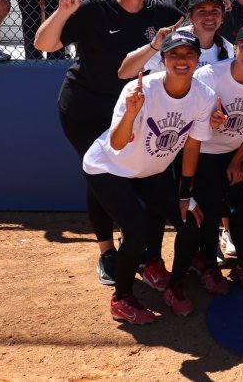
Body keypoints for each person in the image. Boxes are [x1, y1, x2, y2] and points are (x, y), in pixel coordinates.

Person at [34, 0, 184, 285]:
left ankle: (141, 249)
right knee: (101, 174)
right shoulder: (94, 8)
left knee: (140, 177)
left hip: (134, 113)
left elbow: (194, 37)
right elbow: (44, 42)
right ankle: (107, 253)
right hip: (85, 109)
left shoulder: (163, 14)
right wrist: (63, 11)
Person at [82, 31, 219, 323]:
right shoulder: (140, 90)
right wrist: (131, 113)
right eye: (174, 55)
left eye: (188, 55)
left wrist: (185, 193)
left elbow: (193, 145)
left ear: (197, 59)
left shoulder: (203, 96)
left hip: (151, 170)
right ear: (163, 59)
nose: (182, 61)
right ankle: (121, 298)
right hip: (109, 167)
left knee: (191, 220)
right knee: (136, 233)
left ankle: (175, 286)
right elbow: (117, 144)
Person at [191, 24, 243, 292]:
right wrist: (208, 123)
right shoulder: (210, 75)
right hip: (204, 152)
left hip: (235, 151)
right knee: (211, 208)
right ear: (235, 48)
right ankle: (209, 266)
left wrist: (238, 160)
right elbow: (189, 123)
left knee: (238, 206)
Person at [119, 0, 233, 77]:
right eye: (202, 11)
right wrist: (154, 46)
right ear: (191, 17)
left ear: (222, 17)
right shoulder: (171, 40)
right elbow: (124, 73)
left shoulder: (227, 48)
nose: (209, 16)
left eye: (215, 10)